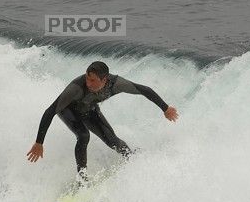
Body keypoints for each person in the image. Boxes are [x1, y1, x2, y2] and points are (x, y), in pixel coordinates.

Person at [26, 61, 178, 176]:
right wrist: (39, 142)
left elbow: (144, 90)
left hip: (89, 110)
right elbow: (50, 111)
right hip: (68, 110)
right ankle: (82, 179)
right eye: (87, 78)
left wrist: (165, 108)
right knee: (83, 136)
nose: (88, 83)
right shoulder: (76, 88)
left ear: (104, 80)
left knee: (113, 141)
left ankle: (132, 158)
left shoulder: (117, 84)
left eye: (93, 80)